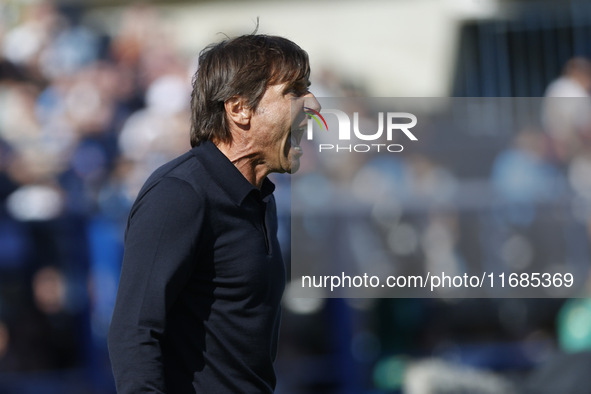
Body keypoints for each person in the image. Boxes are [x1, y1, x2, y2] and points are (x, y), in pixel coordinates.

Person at [107, 34, 320, 393]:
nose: (312, 103)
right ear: (239, 109)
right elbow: (133, 331)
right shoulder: (179, 194)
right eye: (293, 91)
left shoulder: (260, 197)